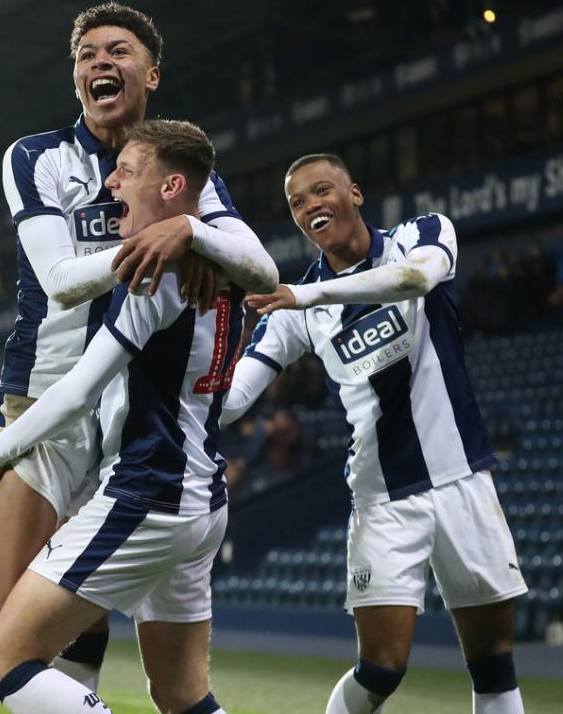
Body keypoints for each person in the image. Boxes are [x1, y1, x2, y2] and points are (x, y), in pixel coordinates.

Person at [0, 2, 276, 713]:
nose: (99, 63)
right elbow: (58, 281)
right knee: (10, 610)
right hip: (45, 395)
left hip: (125, 411)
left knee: (77, 615)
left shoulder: (176, 174)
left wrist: (191, 232)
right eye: (86, 55)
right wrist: (162, 240)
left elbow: (260, 268)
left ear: (151, 74)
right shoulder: (37, 157)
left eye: (117, 51)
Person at [223, 153, 528, 714]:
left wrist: (307, 295)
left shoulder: (420, 234)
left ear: (355, 194)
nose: (311, 206)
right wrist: (177, 381)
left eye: (322, 190)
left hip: (463, 477)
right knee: (381, 668)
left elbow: (415, 279)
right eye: (297, 202)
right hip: (383, 498)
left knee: (493, 661)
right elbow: (235, 398)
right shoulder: (293, 310)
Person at [0, 118, 237, 714]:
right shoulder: (226, 269)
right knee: (181, 694)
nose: (111, 182)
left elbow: (76, 392)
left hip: (148, 492)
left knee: (6, 660)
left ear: (171, 187)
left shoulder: (153, 277)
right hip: (205, 497)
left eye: (127, 172)